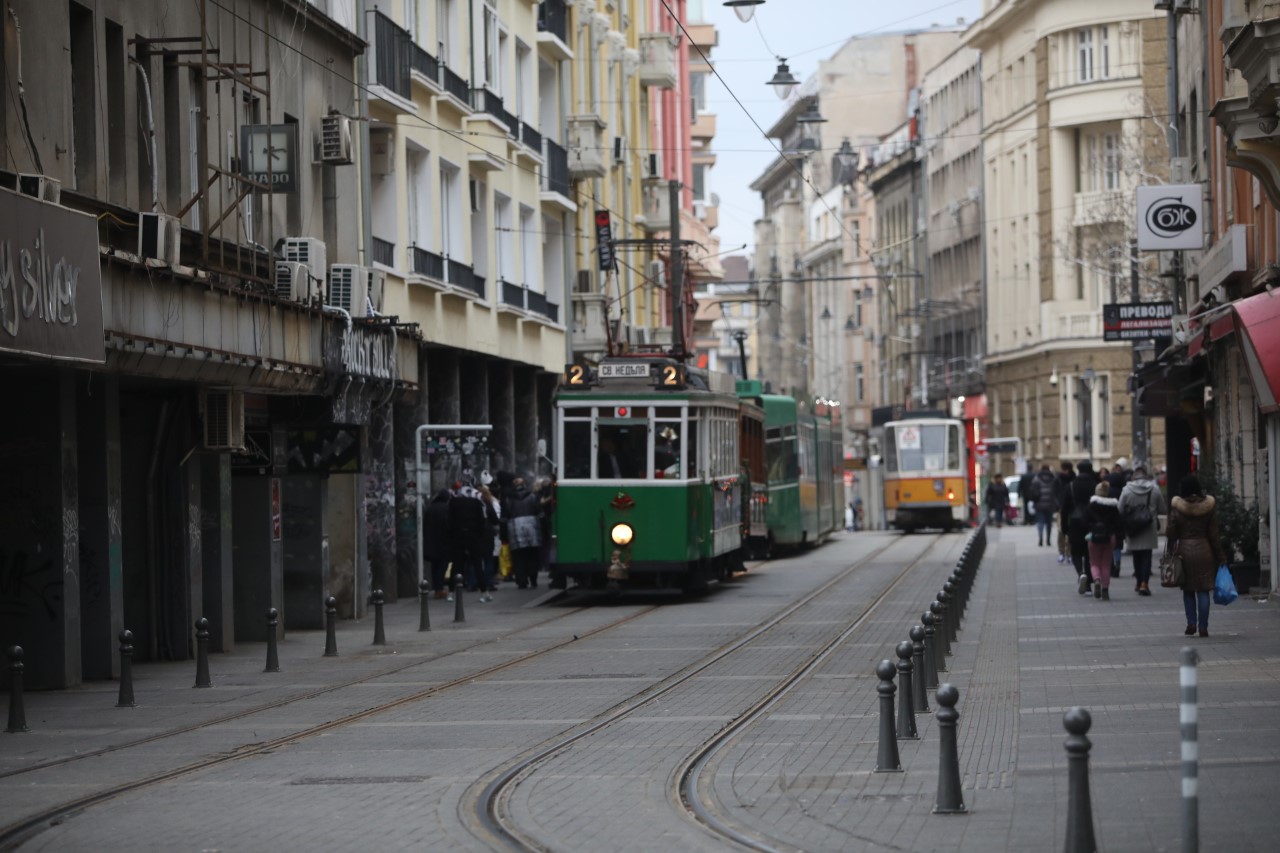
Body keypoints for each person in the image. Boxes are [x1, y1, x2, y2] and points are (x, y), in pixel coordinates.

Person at [1165, 474, 1227, 638]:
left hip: (1184, 551)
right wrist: (1221, 557)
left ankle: (1191, 623)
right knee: (1203, 589)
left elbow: (1170, 532)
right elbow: (1214, 535)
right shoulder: (1208, 508)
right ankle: (1203, 627)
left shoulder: (1177, 507)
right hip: (1204, 550)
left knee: (1188, 589)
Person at [1118, 464, 1166, 595]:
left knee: (1136, 555)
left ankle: (1139, 582)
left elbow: (1119, 509)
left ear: (1134, 476)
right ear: (1146, 476)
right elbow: (1162, 509)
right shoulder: (1154, 489)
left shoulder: (1126, 490)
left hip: (1133, 526)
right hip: (1149, 527)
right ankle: (1145, 583)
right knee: (1146, 555)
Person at [446, 481, 490, 599]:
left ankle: (451, 591)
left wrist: (452, 535)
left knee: (457, 564)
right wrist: (481, 535)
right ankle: (484, 591)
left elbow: (449, 520)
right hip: (473, 535)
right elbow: (482, 520)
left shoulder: (454, 500)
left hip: (458, 535)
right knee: (477, 564)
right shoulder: (476, 501)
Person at [1062, 460, 1099, 592]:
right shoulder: (1095, 485)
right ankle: (1088, 582)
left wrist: (1064, 527)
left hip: (1075, 522)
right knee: (1089, 553)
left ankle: (1080, 573)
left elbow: (1064, 509)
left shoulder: (1071, 486)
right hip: (1091, 523)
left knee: (1076, 552)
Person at [503, 476, 543, 589]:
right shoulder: (533, 496)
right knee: (532, 555)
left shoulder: (508, 499)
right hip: (532, 528)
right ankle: (533, 579)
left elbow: (505, 516)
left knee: (518, 557)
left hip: (515, 529)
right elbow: (539, 512)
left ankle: (522, 580)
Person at [1085, 480, 1122, 599]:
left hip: (1094, 537)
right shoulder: (1113, 506)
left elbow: (1085, 521)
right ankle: (1105, 589)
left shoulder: (1091, 505)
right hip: (1109, 537)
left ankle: (1096, 580)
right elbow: (1118, 523)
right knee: (1106, 564)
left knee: (1094, 563)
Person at [423, 489, 453, 598]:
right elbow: (449, 525)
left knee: (435, 566)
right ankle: (439, 588)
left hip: (431, 542)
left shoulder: (430, 508)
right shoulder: (446, 509)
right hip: (443, 542)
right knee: (442, 565)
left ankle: (436, 588)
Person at [476, 484, 502, 602]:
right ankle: (488, 583)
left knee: (475, 561)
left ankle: (474, 583)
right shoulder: (488, 504)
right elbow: (495, 520)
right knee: (488, 560)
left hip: (476, 535)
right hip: (487, 535)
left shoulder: (474, 504)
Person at [1106, 459, 1131, 577]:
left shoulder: (1107, 492)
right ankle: (1118, 562)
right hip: (1120, 521)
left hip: (1109, 521)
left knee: (1110, 543)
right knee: (1118, 545)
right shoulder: (1123, 491)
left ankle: (1111, 565)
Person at [1028, 463, 1059, 547]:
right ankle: (1048, 539)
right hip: (1050, 504)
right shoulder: (1053, 478)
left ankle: (1040, 538)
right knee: (1049, 523)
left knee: (1040, 522)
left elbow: (1032, 491)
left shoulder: (1036, 478)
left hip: (1039, 504)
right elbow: (1056, 491)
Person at [1053, 461, 1076, 564]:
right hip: (1061, 509)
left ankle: (1070, 553)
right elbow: (1054, 494)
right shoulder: (1057, 479)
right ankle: (1061, 552)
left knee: (1071, 531)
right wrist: (1058, 506)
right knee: (1061, 531)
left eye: (1065, 469)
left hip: (1072, 509)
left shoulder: (1074, 479)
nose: (1063, 471)